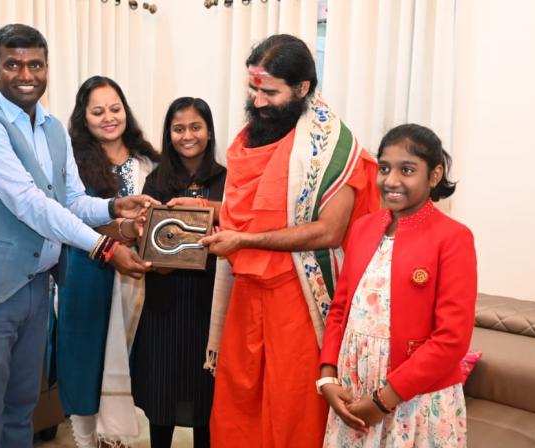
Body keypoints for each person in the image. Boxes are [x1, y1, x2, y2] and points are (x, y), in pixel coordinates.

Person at [0, 25, 154, 448]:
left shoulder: (54, 129)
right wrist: (104, 245)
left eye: (35, 64)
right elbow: (29, 204)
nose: (26, 73)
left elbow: (72, 199)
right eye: (14, 64)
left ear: (46, 68)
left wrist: (115, 207)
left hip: (36, 289)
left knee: (22, 409)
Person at [199, 34, 381, 447]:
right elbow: (253, 211)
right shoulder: (252, 136)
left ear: (302, 89)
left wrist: (245, 241)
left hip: (298, 300)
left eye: (269, 92)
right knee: (237, 402)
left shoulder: (335, 148)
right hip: (246, 295)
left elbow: (328, 231)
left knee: (292, 408)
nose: (258, 101)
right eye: (254, 89)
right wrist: (203, 211)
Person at [318, 124, 477, 447]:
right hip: (355, 392)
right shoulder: (363, 228)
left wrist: (384, 400)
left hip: (413, 398)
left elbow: (451, 340)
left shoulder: (453, 238)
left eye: (407, 170)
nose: (391, 180)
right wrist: (327, 376)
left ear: (434, 176)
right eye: (385, 168)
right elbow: (340, 308)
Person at [49, 75, 160, 448]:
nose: (109, 117)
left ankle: (116, 438)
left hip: (138, 280)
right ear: (83, 117)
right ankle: (84, 439)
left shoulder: (148, 161)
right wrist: (124, 231)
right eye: (98, 111)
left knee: (127, 361)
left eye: (115, 108)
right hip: (86, 269)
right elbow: (70, 217)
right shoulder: (70, 162)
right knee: (83, 358)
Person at [131, 97, 226, 448]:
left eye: (195, 127)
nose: (188, 135)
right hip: (164, 302)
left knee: (206, 395)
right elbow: (144, 240)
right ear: (169, 133)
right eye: (179, 128)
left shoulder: (227, 181)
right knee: (163, 392)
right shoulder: (156, 181)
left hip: (208, 304)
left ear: (209, 131)